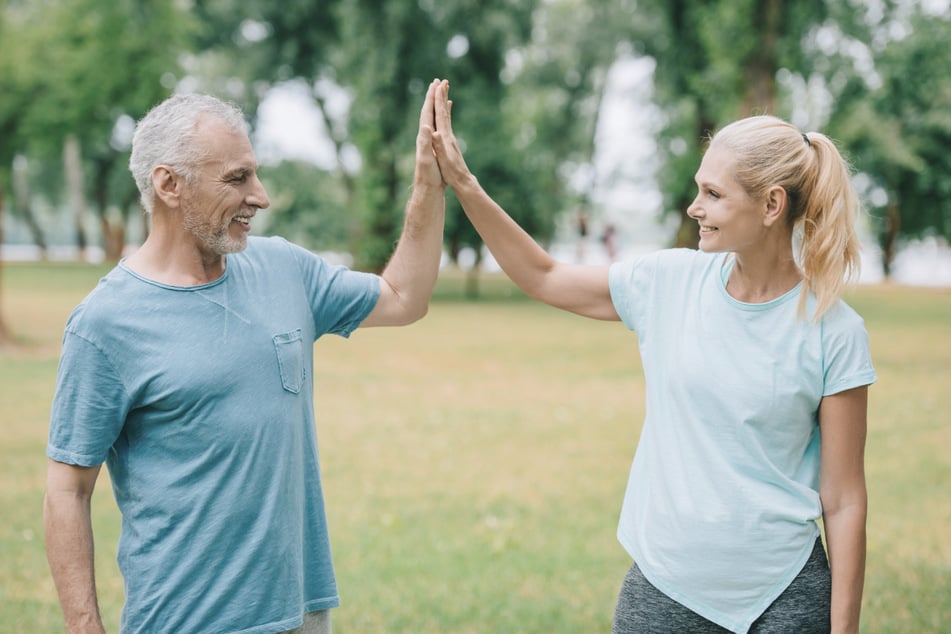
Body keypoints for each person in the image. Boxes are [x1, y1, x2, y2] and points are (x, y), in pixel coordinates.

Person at [430, 82, 875, 634]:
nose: (695, 208)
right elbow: (544, 275)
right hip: (665, 588)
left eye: (714, 194)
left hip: (782, 597)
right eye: (698, 190)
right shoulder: (667, 282)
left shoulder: (835, 332)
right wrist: (465, 185)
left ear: (771, 205)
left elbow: (845, 499)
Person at [44, 79, 448, 634]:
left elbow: (405, 298)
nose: (260, 196)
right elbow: (68, 489)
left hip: (303, 613)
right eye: (237, 178)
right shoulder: (105, 325)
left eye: (254, 173)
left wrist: (428, 182)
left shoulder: (285, 269)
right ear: (169, 185)